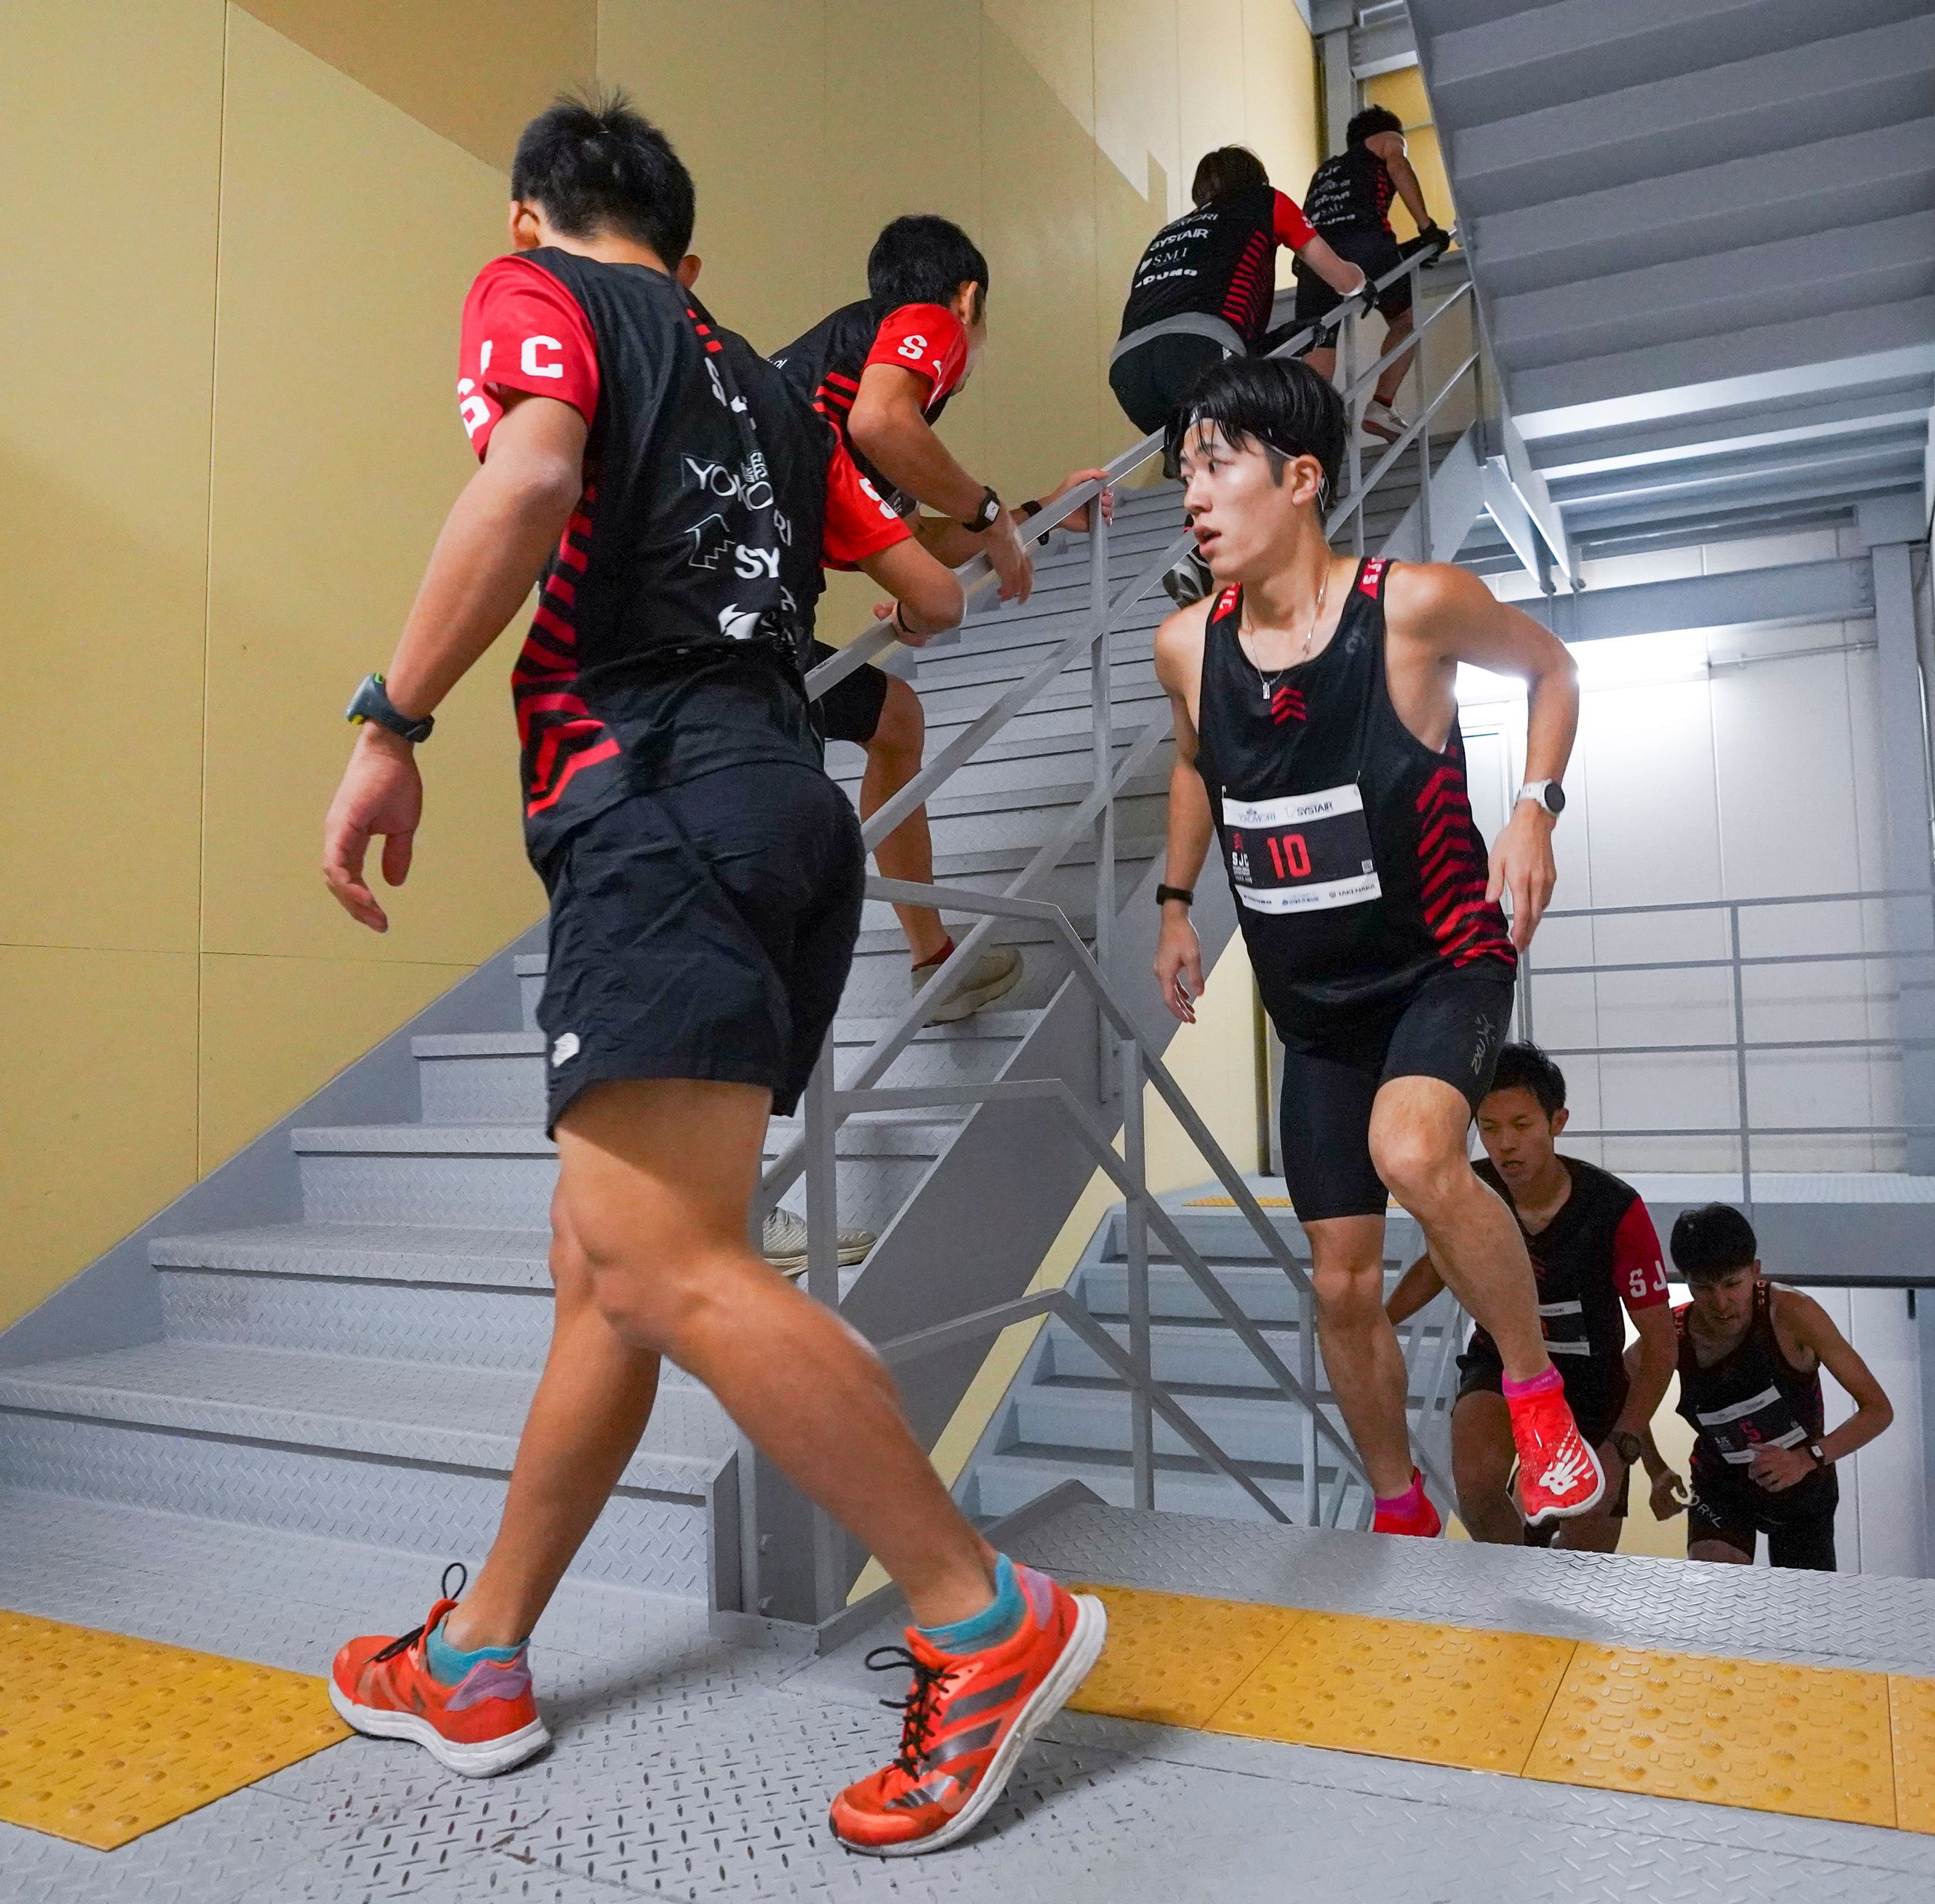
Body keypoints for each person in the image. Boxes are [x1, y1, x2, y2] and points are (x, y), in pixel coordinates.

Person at [314, 93, 1103, 1856]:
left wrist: (393, 719)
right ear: (692, 256)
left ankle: (983, 1618)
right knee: (602, 1264)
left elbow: (525, 473)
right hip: (788, 813)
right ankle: (483, 1652)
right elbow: (929, 591)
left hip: (654, 800)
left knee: (665, 1258)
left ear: (536, 223)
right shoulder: (756, 376)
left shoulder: (544, 299)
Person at [1149, 354, 1601, 1540]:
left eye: (1217, 466)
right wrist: (1171, 901)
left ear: (1300, 479)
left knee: (1414, 1152)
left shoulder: (1413, 606)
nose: (1193, 496)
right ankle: (1401, 1507)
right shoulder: (1186, 645)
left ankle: (1538, 1398)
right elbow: (1197, 762)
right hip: (1317, 1007)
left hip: (1444, 960)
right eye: (1183, 472)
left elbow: (1553, 666)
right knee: (1343, 1285)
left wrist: (1534, 805)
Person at [774, 215, 1107, 1026]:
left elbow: (914, 533)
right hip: (741, 613)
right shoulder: (929, 327)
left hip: (744, 605)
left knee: (896, 715)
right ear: (968, 297)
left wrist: (1034, 514)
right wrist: (992, 512)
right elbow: (885, 424)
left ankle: (932, 955)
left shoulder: (825, 394)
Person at [1385, 1043, 1678, 1549]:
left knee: (1588, 1556)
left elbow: (1660, 1345)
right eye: (1490, 1128)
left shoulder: (1616, 1210)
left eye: (1522, 1126)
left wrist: (1624, 1444)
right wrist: (1374, 1318)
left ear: (1556, 1122)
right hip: (1500, 1364)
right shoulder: (1470, 1187)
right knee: (1476, 1480)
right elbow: (1437, 1266)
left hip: (1592, 1386)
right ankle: (1517, 1588)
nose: (1505, 1145)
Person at [1110, 147, 1366, 603]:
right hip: (1197, 348)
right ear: (1257, 178)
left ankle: (1214, 557)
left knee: (1213, 453)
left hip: (1129, 372)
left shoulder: (1172, 231)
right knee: (1266, 441)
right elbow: (1340, 278)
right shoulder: (1265, 202)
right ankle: (1198, 549)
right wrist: (1362, 280)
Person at [1661, 1203, 1896, 1571]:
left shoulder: (1792, 1313)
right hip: (1721, 1488)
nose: (1721, 1304)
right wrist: (1653, 1466)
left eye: (1732, 1284)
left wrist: (1806, 1459)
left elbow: (1879, 1410)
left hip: (1803, 1486)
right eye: (1704, 1288)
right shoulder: (1672, 1332)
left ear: (1756, 1272)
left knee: (1806, 1616)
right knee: (1719, 1599)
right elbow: (1622, 1395)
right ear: (1685, 1281)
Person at [1298, 105, 1448, 440]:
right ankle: (1381, 406)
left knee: (1320, 341)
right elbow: (1398, 165)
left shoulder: (1324, 172)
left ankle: (1315, 432)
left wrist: (1404, 252)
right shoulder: (1386, 139)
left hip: (1316, 260)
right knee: (1406, 321)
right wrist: (1427, 228)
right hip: (1365, 243)